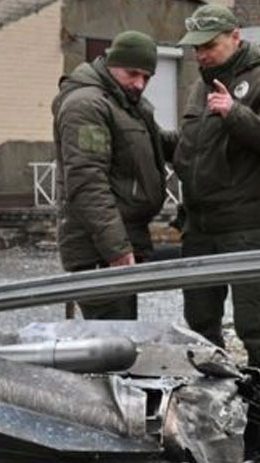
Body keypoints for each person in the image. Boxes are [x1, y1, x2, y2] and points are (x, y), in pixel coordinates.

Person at [174, 5, 260, 376]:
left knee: (254, 325)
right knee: (199, 327)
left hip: (246, 226)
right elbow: (194, 147)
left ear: (235, 36)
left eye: (209, 46)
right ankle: (214, 407)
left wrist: (235, 112)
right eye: (195, 48)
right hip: (200, 226)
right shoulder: (201, 84)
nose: (201, 55)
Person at [52, 31, 177, 319]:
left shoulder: (125, 103)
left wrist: (208, 135)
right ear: (111, 63)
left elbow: (159, 143)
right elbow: (87, 182)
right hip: (98, 252)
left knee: (121, 339)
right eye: (132, 73)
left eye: (147, 77)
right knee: (111, 341)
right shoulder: (87, 105)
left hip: (121, 243)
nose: (139, 84)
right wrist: (115, 249)